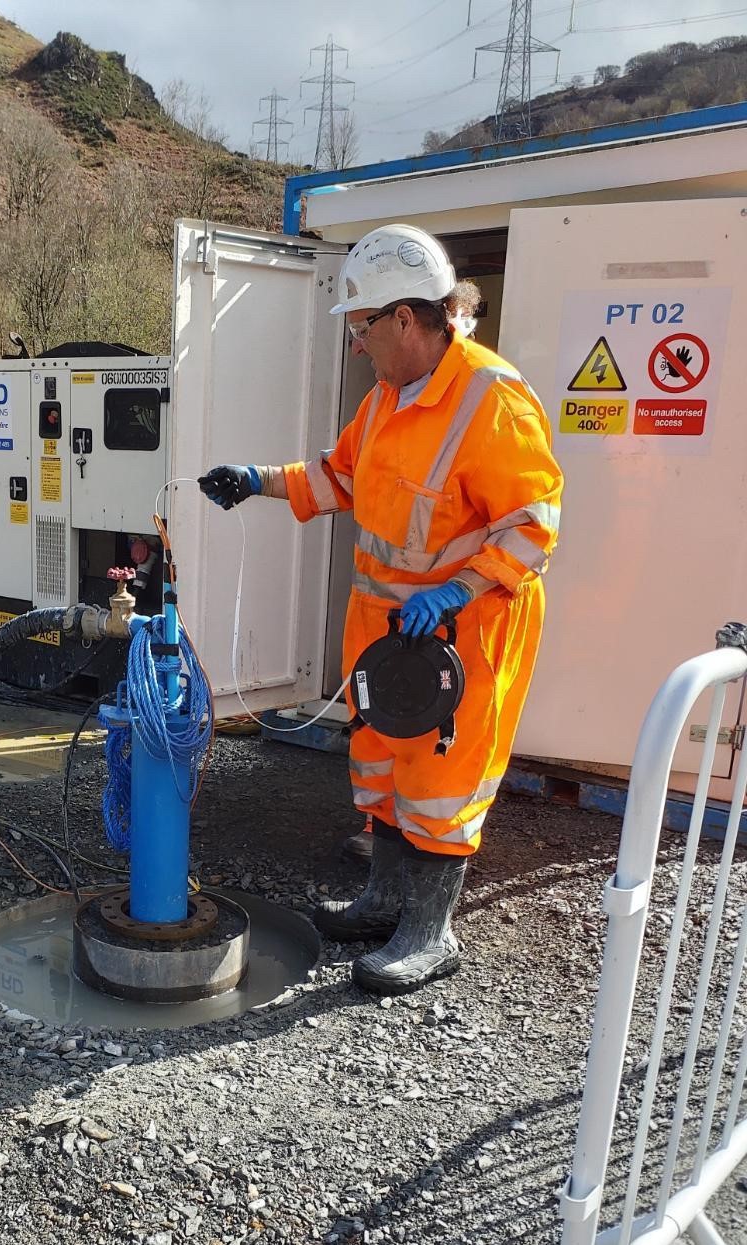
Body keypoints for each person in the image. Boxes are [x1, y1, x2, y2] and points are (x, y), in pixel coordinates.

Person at [199, 223, 563, 995]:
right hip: (388, 635)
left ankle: (430, 934)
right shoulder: (389, 400)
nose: (357, 346)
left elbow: (534, 523)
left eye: (363, 329)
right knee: (385, 772)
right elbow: (338, 479)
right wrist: (254, 479)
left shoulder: (491, 401)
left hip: (460, 638)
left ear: (406, 317)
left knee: (438, 787)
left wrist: (457, 590)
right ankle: (384, 902)